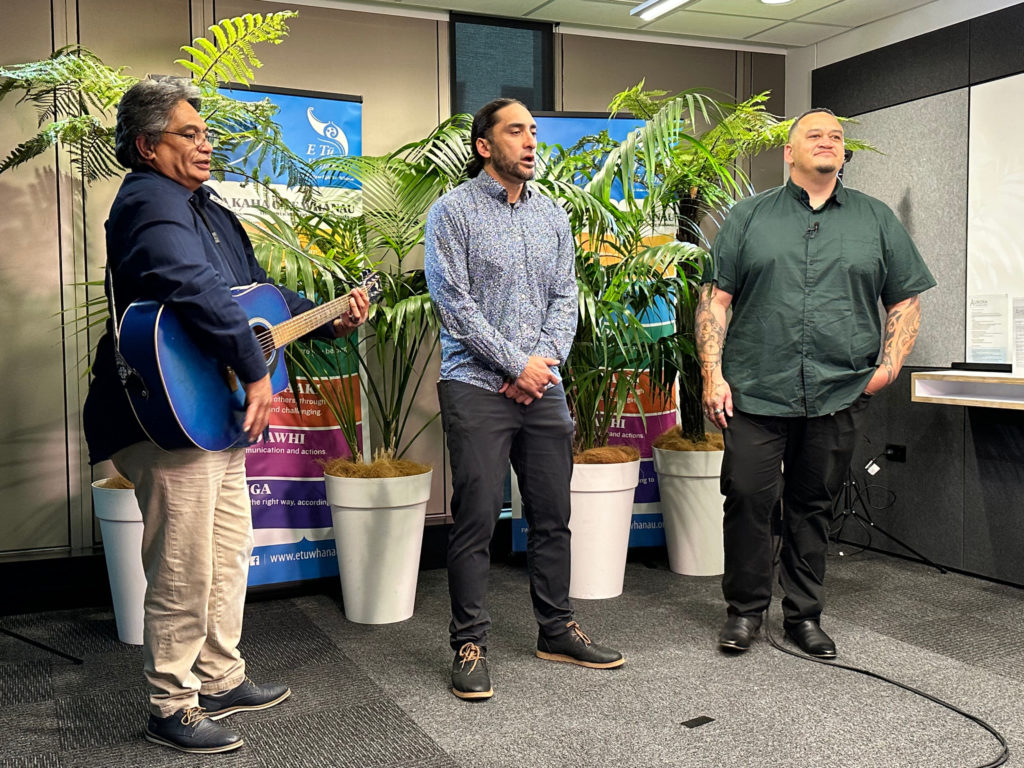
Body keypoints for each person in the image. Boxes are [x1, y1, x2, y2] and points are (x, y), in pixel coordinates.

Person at [82, 79, 368, 754]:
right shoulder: (149, 202)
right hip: (168, 415)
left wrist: (330, 319)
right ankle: (171, 704)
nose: (206, 144)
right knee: (182, 565)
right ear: (149, 146)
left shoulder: (204, 207)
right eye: (190, 134)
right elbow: (192, 285)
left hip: (212, 412)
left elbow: (255, 293)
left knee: (225, 551)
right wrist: (257, 367)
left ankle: (218, 673)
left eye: (207, 133)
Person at [696, 108, 935, 659]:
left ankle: (804, 615)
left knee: (813, 504)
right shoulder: (749, 217)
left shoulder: (875, 219)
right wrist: (713, 374)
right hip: (755, 390)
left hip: (838, 392)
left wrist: (891, 365)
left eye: (836, 136)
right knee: (749, 497)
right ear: (789, 151)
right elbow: (716, 300)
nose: (827, 142)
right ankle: (745, 612)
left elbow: (905, 296)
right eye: (814, 134)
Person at [424, 97, 624, 701]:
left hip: (542, 387)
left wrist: (541, 366)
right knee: (478, 518)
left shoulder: (553, 215)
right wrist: (516, 365)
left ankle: (556, 628)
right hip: (475, 384)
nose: (531, 140)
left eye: (533, 131)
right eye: (516, 131)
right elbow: (453, 305)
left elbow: (566, 297)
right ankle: (470, 642)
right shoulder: (451, 213)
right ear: (485, 145)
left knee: (552, 515)